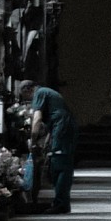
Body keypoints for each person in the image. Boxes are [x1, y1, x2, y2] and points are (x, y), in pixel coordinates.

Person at [18, 78, 78, 213]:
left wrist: (32, 139)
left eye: (25, 96)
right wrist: (48, 140)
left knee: (60, 163)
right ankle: (62, 202)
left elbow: (37, 118)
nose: (29, 101)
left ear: (28, 90)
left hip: (62, 127)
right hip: (62, 127)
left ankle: (61, 204)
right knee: (61, 162)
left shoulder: (39, 93)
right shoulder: (47, 92)